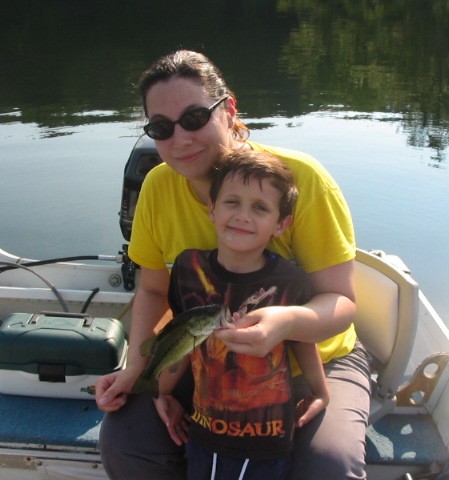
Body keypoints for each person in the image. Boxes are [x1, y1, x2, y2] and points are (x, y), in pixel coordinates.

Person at [96, 49, 371, 480]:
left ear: (229, 111)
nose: (180, 139)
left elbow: (341, 301)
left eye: (194, 118)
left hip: (312, 363)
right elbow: (153, 290)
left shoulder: (300, 179)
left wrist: (285, 323)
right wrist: (139, 369)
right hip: (199, 359)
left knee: (328, 465)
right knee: (128, 442)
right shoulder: (157, 187)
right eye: (161, 128)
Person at [156, 149, 329, 480]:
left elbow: (302, 340)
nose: (243, 216)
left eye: (260, 208)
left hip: (267, 436)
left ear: (281, 224)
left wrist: (320, 392)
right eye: (232, 202)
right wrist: (161, 391)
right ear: (212, 209)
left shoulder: (291, 280)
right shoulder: (188, 269)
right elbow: (180, 340)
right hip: (204, 430)